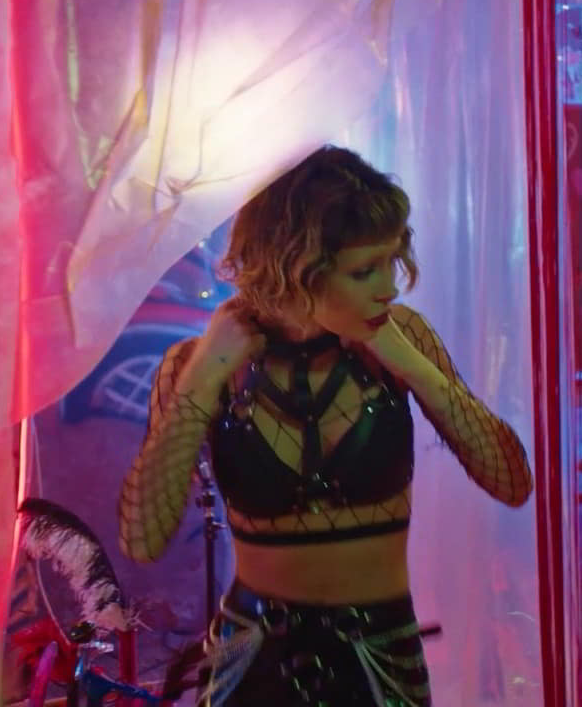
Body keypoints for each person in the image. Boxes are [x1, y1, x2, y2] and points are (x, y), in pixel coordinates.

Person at [117, 145, 533, 706]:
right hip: (250, 659)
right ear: (294, 271)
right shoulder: (201, 364)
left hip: (381, 657)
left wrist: (411, 364)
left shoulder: (400, 334)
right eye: (364, 271)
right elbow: (143, 541)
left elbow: (511, 482)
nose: (389, 287)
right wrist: (203, 375)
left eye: (391, 261)